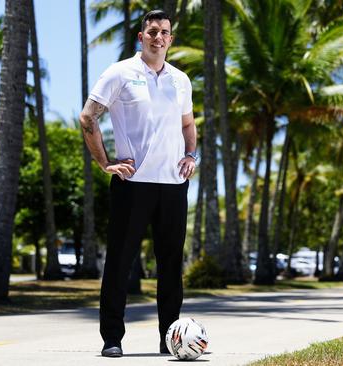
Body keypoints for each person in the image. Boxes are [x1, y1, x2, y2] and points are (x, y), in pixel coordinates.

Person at [78, 10, 198, 358]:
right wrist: (105, 163)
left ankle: (170, 339)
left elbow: (188, 124)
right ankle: (112, 338)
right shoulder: (120, 73)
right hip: (133, 185)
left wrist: (192, 156)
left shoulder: (180, 80)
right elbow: (88, 117)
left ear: (171, 40)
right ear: (141, 37)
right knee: (120, 262)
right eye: (152, 32)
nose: (158, 37)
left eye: (165, 33)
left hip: (174, 186)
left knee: (171, 266)